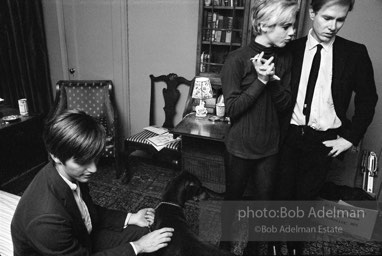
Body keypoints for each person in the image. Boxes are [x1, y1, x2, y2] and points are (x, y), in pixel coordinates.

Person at [277, 0, 378, 253]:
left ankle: (294, 249)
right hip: (288, 136)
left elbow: (368, 99)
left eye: (340, 20)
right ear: (312, 13)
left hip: (322, 142)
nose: (333, 26)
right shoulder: (291, 48)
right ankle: (273, 245)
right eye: (327, 18)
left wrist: (350, 138)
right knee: (280, 197)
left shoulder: (355, 53)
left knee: (303, 202)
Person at [11, 109, 174, 256]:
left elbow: (85, 210)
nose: (94, 169)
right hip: (70, 249)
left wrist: (131, 218)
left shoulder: (68, 171)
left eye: (95, 157)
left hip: (80, 237)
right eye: (83, 161)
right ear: (55, 156)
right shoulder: (46, 220)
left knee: (145, 232)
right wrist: (138, 246)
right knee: (142, 245)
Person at [219, 0, 298, 255]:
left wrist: (272, 81)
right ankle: (225, 244)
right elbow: (231, 109)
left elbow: (286, 105)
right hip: (239, 146)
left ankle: (254, 248)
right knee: (233, 199)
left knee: (263, 204)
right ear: (264, 25)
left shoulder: (285, 58)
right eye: (285, 26)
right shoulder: (236, 59)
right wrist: (260, 81)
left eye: (292, 25)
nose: (292, 32)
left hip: (270, 147)